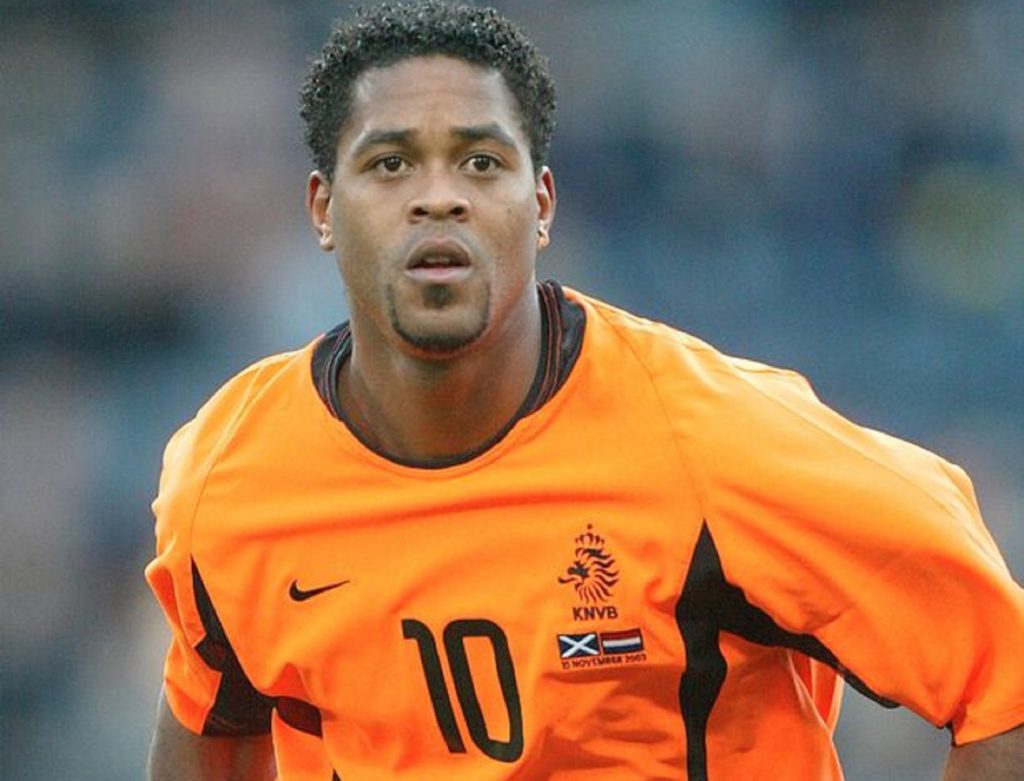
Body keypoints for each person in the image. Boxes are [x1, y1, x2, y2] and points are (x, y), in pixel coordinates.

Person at [144, 2, 1024, 779]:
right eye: (390, 164)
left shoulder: (712, 442)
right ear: (322, 209)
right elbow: (213, 721)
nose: (438, 198)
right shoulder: (232, 476)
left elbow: (1006, 681)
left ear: (542, 205)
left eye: (481, 161)